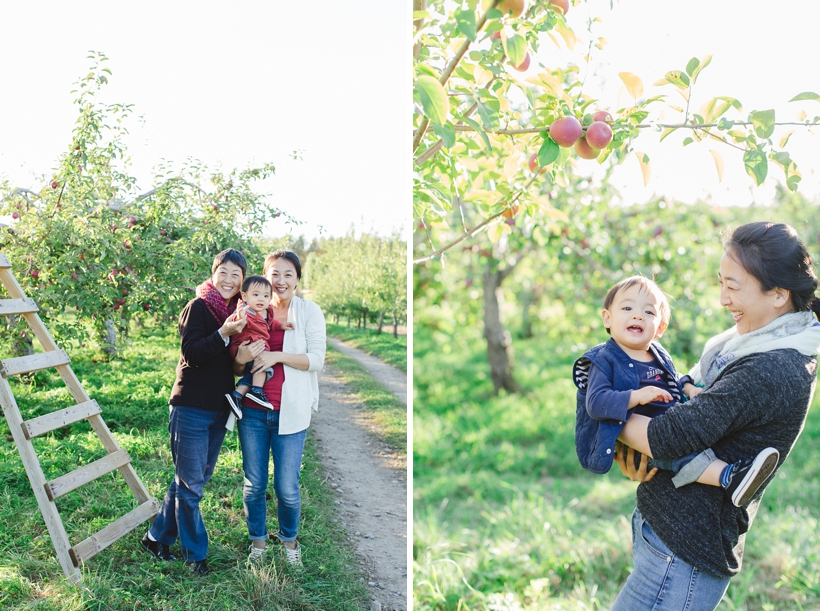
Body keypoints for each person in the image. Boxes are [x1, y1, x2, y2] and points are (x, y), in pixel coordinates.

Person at [611, 222, 820, 610]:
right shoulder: (749, 342)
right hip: (670, 539)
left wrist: (603, 410)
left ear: (777, 293)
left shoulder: (771, 367)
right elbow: (682, 402)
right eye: (721, 283)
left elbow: (667, 435)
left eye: (734, 286)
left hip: (684, 553)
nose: (723, 298)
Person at [573, 275, 779, 506]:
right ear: (607, 318)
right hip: (646, 441)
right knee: (685, 457)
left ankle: (742, 470)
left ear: (660, 328)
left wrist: (689, 387)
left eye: (649, 312)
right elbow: (596, 403)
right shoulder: (603, 360)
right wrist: (636, 396)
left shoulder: (657, 353)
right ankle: (729, 478)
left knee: (699, 437)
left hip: (671, 424)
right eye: (627, 308)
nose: (638, 315)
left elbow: (673, 379)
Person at [139, 248, 250, 576]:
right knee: (191, 486)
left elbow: (230, 364)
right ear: (213, 273)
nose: (229, 280)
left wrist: (242, 352)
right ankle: (195, 555)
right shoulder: (198, 308)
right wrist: (224, 334)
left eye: (236, 275)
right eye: (224, 272)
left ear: (242, 279)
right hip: (190, 407)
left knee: (193, 479)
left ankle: (155, 537)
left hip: (218, 409)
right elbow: (193, 354)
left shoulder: (237, 312)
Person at [232, 250, 326, 565]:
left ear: (297, 279)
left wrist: (276, 356)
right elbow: (235, 365)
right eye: (275, 274)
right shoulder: (252, 309)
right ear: (264, 277)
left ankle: (289, 542)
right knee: (254, 482)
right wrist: (243, 357)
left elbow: (316, 360)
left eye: (288, 274)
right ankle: (258, 543)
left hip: (291, 411)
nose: (281, 280)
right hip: (254, 412)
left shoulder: (309, 312)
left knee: (286, 487)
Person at [225, 275, 294, 414]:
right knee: (264, 365)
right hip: (246, 346)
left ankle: (237, 395)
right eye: (256, 295)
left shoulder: (265, 312)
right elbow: (235, 320)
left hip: (254, 347)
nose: (261, 299)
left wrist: (281, 325)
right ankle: (257, 390)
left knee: (251, 374)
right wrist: (239, 317)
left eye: (266, 296)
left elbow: (270, 324)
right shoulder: (246, 311)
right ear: (244, 296)